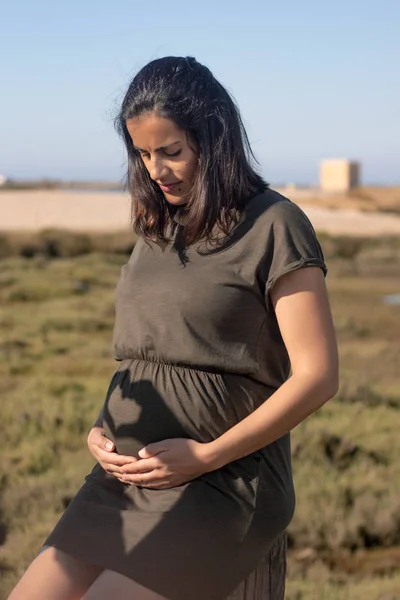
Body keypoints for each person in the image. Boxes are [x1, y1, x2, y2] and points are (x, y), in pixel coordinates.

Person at [8, 56, 338, 600]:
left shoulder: (275, 225)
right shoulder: (156, 230)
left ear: (214, 138)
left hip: (221, 484)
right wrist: (101, 430)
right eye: (142, 154)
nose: (156, 169)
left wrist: (208, 455)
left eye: (172, 151)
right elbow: (144, 355)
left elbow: (318, 376)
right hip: (122, 482)